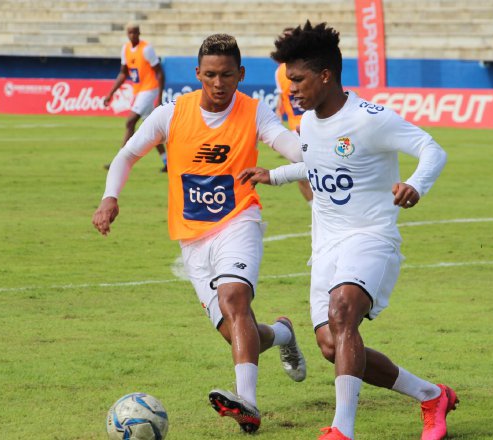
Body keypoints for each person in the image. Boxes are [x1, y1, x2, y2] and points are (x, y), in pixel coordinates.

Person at [239, 22, 455, 440]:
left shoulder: (370, 119)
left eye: (297, 80)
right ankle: (431, 395)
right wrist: (276, 176)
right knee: (332, 347)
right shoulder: (310, 125)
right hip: (325, 247)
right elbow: (320, 165)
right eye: (288, 82)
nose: (291, 90)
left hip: (371, 236)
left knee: (342, 312)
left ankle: (342, 430)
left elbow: (433, 148)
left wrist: (415, 184)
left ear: (325, 75)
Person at [92, 33, 307, 434]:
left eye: (227, 75)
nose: (219, 83)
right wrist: (110, 198)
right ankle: (282, 334)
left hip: (239, 221)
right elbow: (127, 155)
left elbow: (289, 145)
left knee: (234, 298)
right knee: (235, 331)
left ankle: (249, 404)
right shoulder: (171, 113)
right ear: (197, 74)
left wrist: (314, 150)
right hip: (192, 239)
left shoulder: (254, 112)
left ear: (241, 74)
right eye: (210, 75)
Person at [103, 23, 167, 172]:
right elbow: (123, 73)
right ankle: (167, 162)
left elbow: (160, 72)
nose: (133, 35)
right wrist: (110, 93)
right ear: (127, 34)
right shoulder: (125, 49)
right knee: (152, 129)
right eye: (130, 33)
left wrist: (160, 96)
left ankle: (119, 162)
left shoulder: (147, 49)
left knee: (130, 121)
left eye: (135, 33)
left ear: (139, 33)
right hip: (139, 91)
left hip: (149, 89)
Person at [274, 30, 313, 205]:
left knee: (327, 170)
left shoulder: (312, 64)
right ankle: (316, 210)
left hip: (317, 126)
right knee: (301, 174)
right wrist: (277, 110)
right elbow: (282, 94)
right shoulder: (279, 71)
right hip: (295, 129)